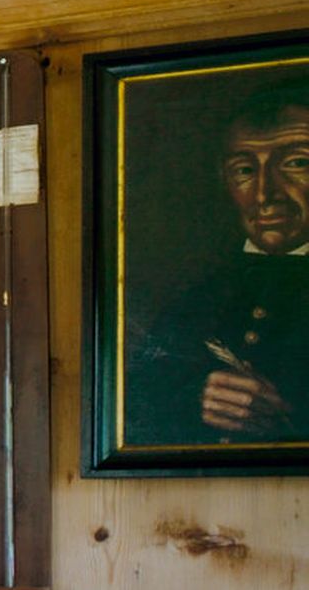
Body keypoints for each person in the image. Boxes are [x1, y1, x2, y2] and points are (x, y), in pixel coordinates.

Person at [128, 89, 309, 448]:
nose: (264, 194)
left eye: (295, 163)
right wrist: (197, 400)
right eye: (244, 170)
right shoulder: (196, 297)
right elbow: (131, 410)